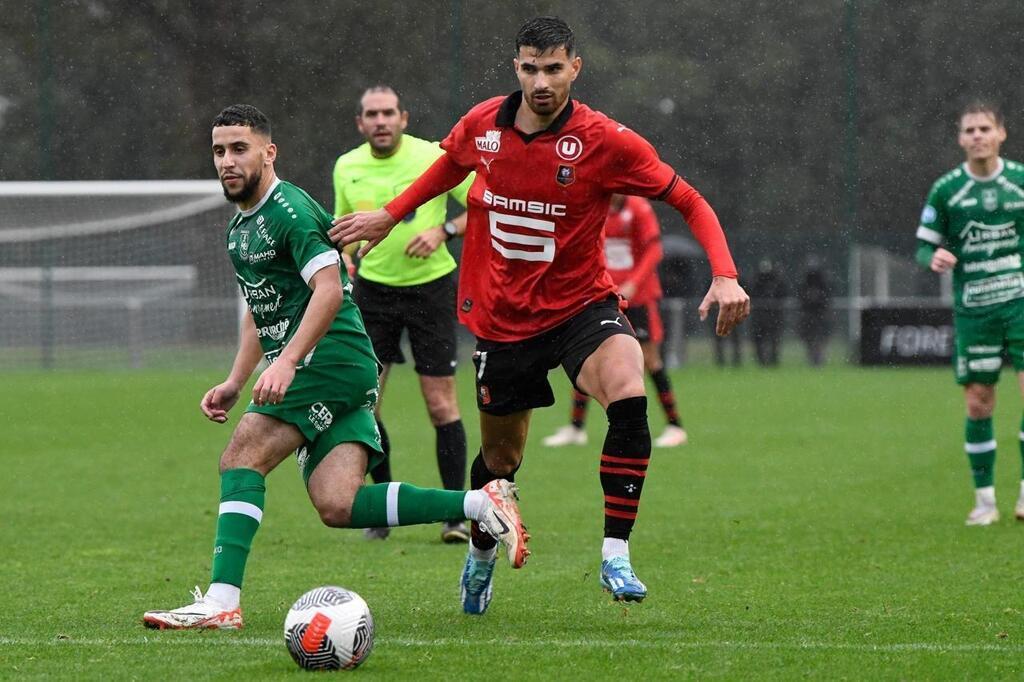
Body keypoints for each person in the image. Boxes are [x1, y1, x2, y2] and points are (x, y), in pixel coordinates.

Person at [330, 17, 749, 612]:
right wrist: (391, 215)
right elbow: (450, 165)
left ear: (575, 68)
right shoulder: (483, 125)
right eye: (531, 68)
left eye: (554, 68)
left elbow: (688, 198)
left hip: (583, 307)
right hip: (504, 322)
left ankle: (615, 553)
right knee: (501, 461)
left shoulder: (605, 140)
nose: (542, 81)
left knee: (630, 390)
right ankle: (479, 556)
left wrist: (725, 272)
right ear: (517, 68)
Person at [141, 104, 527, 630]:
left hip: (330, 358)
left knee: (241, 458)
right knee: (338, 504)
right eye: (218, 151)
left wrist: (290, 362)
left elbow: (328, 290)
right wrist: (237, 379)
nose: (227, 161)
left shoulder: (290, 211)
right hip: (339, 366)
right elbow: (261, 311)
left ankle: (221, 602)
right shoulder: (240, 228)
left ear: (268, 153)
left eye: (239, 149)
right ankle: (481, 504)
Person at [333, 85, 474, 544]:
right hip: (373, 296)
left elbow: (486, 201)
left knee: (441, 404)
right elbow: (342, 229)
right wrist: (346, 258)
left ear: (404, 117)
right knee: (366, 403)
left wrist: (444, 229)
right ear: (360, 123)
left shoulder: (433, 156)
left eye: (388, 112)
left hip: (431, 291)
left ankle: (455, 514)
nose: (381, 121)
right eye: (371, 114)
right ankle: (382, 509)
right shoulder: (347, 167)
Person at [915, 101, 1024, 526]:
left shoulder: (1019, 183)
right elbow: (923, 245)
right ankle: (984, 501)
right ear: (961, 140)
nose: (977, 136)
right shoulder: (947, 190)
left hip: (1020, 303)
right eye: (969, 130)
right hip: (975, 309)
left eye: (985, 128)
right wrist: (933, 257)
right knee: (979, 403)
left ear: (1001, 134)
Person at [543, 194, 687, 448]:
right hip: (604, 296)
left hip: (638, 297)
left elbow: (654, 250)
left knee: (651, 359)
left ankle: (675, 425)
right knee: (587, 354)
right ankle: (576, 428)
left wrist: (633, 283)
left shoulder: (639, 209)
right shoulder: (595, 205)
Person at [749, 258, 787, 366]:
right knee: (759, 339)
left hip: (774, 316)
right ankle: (761, 361)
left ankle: (773, 360)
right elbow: (752, 293)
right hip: (760, 316)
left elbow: (783, 293)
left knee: (774, 339)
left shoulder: (777, 281)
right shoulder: (757, 281)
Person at [796, 256, 831, 367]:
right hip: (809, 314)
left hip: (819, 314)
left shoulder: (822, 282)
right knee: (809, 338)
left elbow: (828, 297)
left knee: (819, 337)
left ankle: (818, 357)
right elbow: (800, 297)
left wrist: (818, 298)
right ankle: (812, 357)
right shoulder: (805, 282)